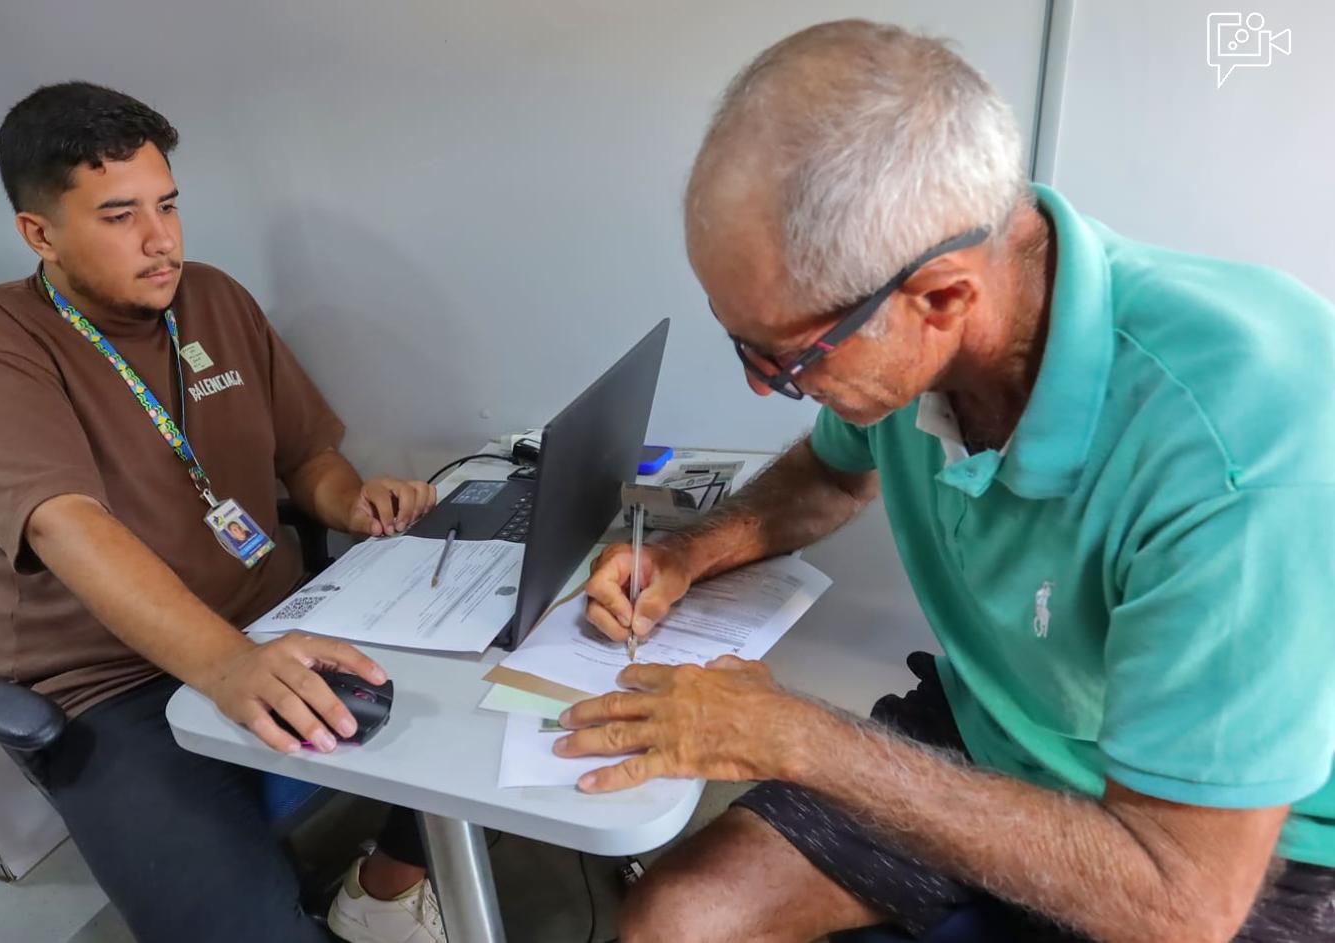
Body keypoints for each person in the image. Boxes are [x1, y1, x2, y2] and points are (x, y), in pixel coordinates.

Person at [556, 20, 1335, 943]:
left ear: (941, 298)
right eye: (744, 346)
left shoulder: (1241, 442)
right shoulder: (909, 344)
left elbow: (1178, 901)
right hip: (995, 734)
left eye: (785, 358)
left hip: (1241, 852)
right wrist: (688, 555)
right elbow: (827, 478)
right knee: (678, 922)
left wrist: (799, 738)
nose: (760, 385)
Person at [0, 82, 445, 943]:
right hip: (111, 685)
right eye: (120, 216)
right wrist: (231, 664)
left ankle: (382, 894)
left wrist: (351, 499)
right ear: (39, 233)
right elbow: (66, 524)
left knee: (504, 704)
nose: (161, 240)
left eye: (167, 205)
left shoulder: (211, 297)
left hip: (279, 618)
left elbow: (304, 456)